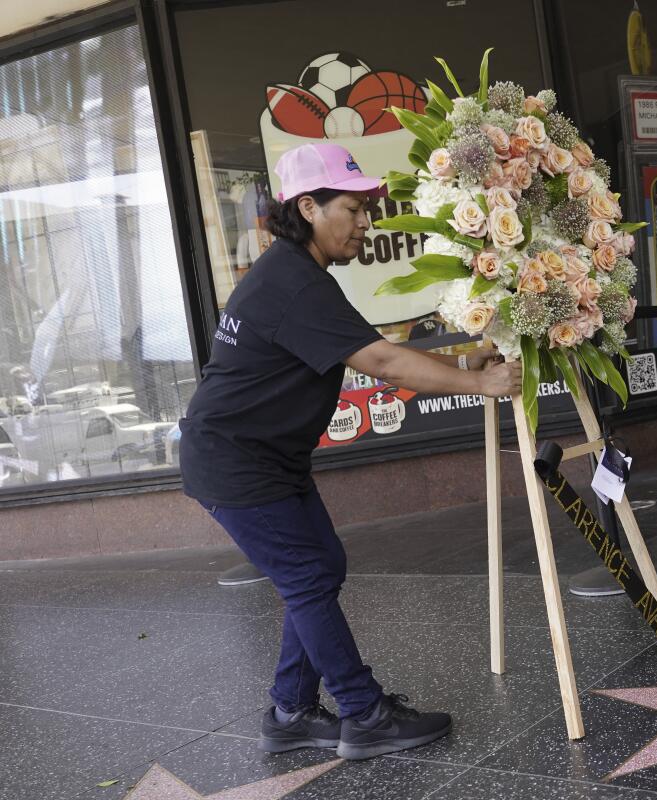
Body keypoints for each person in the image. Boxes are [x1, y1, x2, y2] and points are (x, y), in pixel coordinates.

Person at [178, 143, 521, 760]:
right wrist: (478, 382)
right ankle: (363, 715)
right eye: (353, 207)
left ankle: (290, 713)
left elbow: (370, 348)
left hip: (261, 458)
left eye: (368, 208)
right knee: (309, 576)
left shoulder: (295, 273)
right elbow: (383, 360)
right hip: (235, 461)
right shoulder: (291, 283)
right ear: (307, 206)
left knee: (320, 567)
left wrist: (458, 360)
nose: (365, 221)